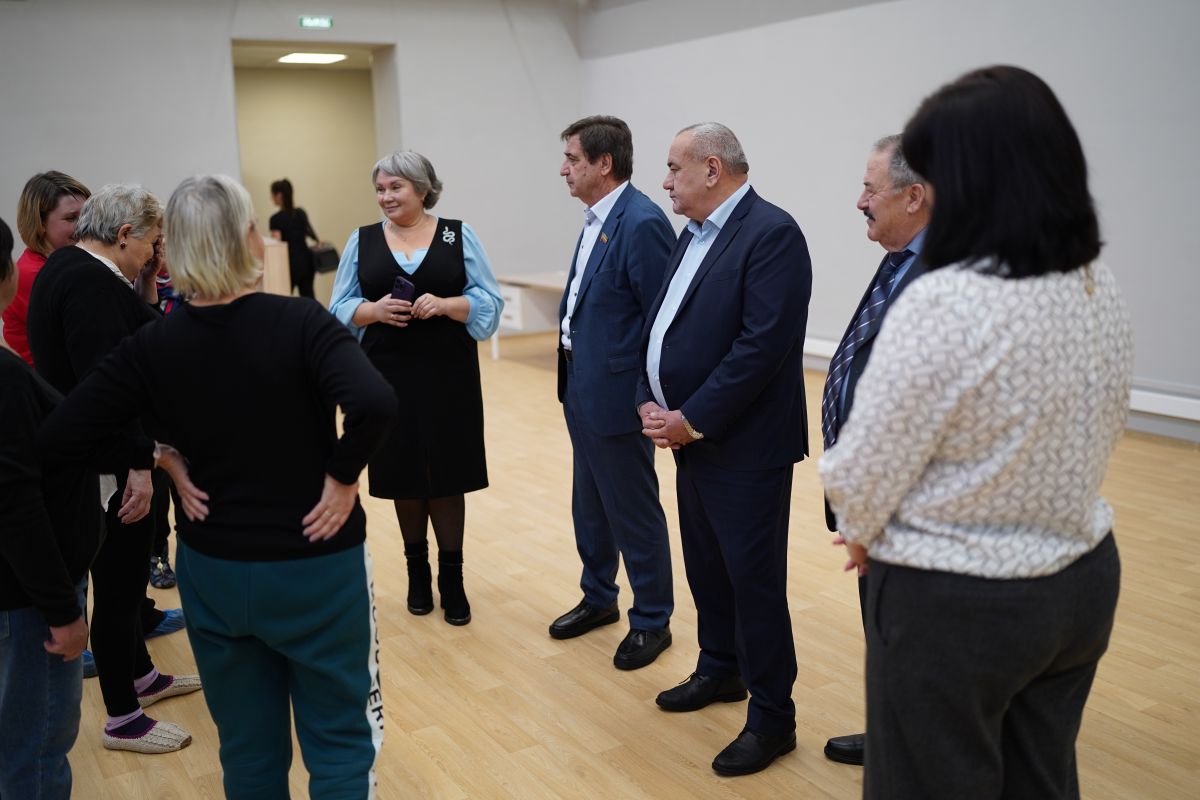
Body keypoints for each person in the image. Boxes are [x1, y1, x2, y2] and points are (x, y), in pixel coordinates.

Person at [820, 65, 1134, 800]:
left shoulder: (946, 300)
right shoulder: (1096, 283)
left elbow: (860, 472)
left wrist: (861, 529)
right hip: (1081, 583)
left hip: (959, 608)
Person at [39, 174, 397, 799]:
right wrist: (343, 478)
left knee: (249, 752)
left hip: (214, 570)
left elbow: (62, 431)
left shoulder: (154, 341)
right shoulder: (300, 321)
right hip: (316, 564)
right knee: (340, 744)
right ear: (247, 240)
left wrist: (156, 455)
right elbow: (374, 402)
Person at [638, 123, 811, 776]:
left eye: (673, 168)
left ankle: (772, 718)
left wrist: (693, 418)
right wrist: (646, 397)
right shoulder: (693, 234)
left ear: (712, 169)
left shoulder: (772, 234)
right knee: (707, 567)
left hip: (744, 448)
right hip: (690, 440)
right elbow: (659, 324)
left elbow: (761, 347)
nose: (665, 182)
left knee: (753, 583)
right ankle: (720, 668)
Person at [27, 184, 200, 753]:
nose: (155, 253)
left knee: (123, 579)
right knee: (120, 585)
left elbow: (141, 339)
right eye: (151, 243)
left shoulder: (80, 270)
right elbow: (109, 384)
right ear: (124, 234)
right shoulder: (88, 282)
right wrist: (139, 465)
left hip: (101, 454)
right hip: (107, 461)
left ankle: (141, 676)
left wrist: (145, 283)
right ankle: (122, 717)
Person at [330, 150, 503, 626]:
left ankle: (453, 578)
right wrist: (373, 310)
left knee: (448, 473)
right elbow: (338, 308)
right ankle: (417, 574)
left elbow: (489, 301)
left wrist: (448, 305)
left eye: (395, 187)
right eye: (380, 189)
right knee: (402, 472)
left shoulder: (457, 235)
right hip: (386, 378)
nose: (386, 197)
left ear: (422, 189)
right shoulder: (362, 240)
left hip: (449, 376)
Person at [548, 115, 675, 670]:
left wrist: (647, 395)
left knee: (632, 509)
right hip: (581, 383)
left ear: (604, 164)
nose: (564, 169)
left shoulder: (641, 222)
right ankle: (599, 596)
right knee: (591, 502)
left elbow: (661, 319)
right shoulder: (599, 217)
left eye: (572, 159)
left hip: (620, 395)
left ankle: (652, 619)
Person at [820, 135, 931, 768]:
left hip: (907, 508)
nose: (859, 201)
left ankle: (913, 746)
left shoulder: (940, 277)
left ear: (913, 197)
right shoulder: (899, 260)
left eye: (870, 189)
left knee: (910, 628)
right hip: (875, 502)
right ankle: (895, 728)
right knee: (884, 622)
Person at [2, 171, 90, 363]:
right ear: (41, 223)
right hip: (41, 379)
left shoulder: (68, 262)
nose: (84, 226)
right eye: (71, 218)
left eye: (86, 215)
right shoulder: (33, 273)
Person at [269, 178, 322, 299]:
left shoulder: (275, 219)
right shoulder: (300, 213)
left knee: (285, 299)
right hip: (306, 262)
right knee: (309, 298)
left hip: (289, 265)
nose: (271, 198)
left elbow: (277, 245)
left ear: (279, 195)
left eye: (272, 195)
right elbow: (308, 234)